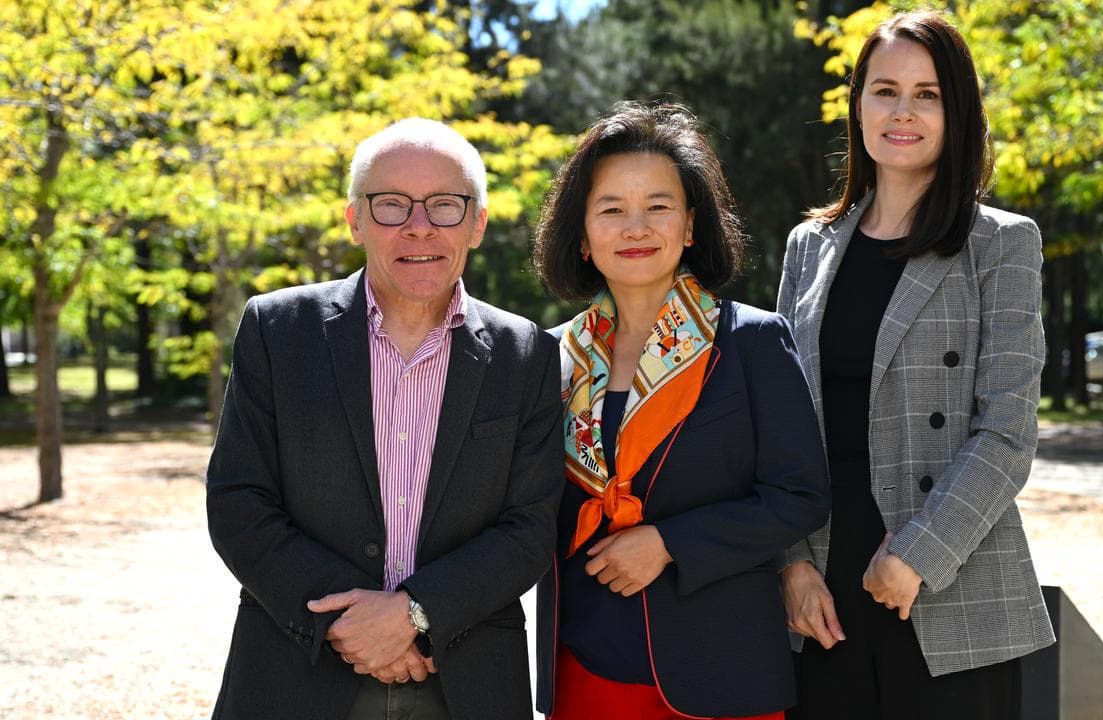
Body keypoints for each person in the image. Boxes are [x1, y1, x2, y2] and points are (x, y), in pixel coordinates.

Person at [205, 118, 563, 720]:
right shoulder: (278, 331)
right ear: (356, 220)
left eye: (445, 205)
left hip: (466, 680)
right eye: (392, 204)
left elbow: (530, 527)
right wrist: (356, 625)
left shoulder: (525, 354)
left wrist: (415, 613)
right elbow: (238, 501)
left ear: (477, 223)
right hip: (297, 671)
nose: (419, 226)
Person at [775, 10, 1057, 719]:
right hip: (822, 593)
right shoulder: (809, 246)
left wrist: (918, 556)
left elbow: (1007, 431)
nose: (903, 111)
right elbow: (778, 425)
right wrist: (792, 565)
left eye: (927, 94)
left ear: (956, 112)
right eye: (885, 91)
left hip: (948, 585)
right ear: (858, 106)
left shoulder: (1001, 243)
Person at [530, 102, 831, 720]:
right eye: (611, 209)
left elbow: (799, 496)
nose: (635, 227)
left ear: (691, 226)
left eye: (658, 206)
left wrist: (670, 543)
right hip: (584, 665)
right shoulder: (552, 357)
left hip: (721, 671)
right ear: (582, 236)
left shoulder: (751, 342)